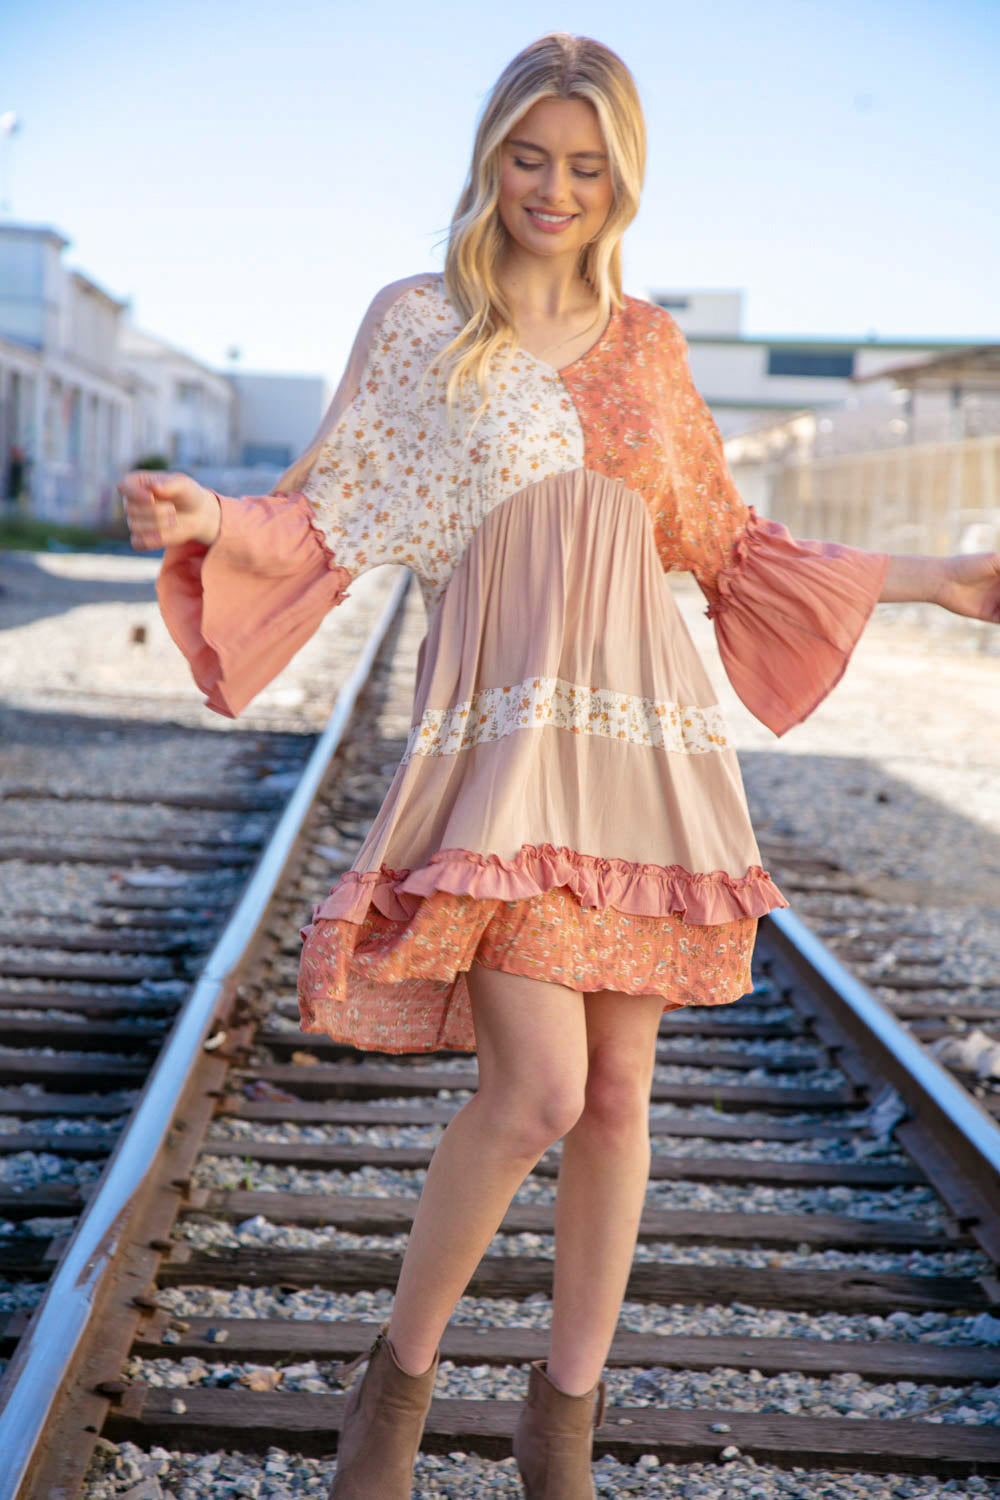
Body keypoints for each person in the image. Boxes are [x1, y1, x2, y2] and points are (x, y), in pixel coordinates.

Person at [118, 33, 1000, 1500]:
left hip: (644, 744)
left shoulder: (651, 346)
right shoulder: (423, 324)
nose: (554, 187)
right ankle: (390, 1402)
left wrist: (944, 576)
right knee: (532, 1088)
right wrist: (206, 510)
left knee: (618, 1097)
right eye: (531, 155)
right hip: (500, 745)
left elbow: (728, 542)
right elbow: (326, 510)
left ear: (622, 179)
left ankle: (559, 1432)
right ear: (491, 157)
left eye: (586, 165)